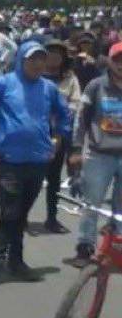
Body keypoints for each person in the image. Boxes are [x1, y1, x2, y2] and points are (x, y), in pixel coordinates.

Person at [0, 41, 71, 289]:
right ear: (21, 59)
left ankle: (16, 260)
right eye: (32, 58)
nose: (37, 64)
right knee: (10, 211)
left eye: (41, 59)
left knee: (21, 214)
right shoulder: (4, 84)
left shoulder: (49, 88)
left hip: (38, 160)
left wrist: (57, 139)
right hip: (9, 160)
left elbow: (66, 114)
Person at [69, 41, 122, 267]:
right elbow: (81, 119)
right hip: (99, 155)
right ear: (109, 61)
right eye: (118, 60)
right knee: (92, 203)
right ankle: (85, 246)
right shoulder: (96, 86)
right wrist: (75, 149)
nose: (121, 65)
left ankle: (116, 247)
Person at [42, 39, 81, 234]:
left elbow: (75, 104)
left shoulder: (70, 78)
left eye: (59, 53)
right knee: (30, 177)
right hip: (37, 132)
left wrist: (60, 110)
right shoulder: (35, 75)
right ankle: (20, 217)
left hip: (59, 132)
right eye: (51, 52)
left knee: (54, 178)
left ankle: (51, 217)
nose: (54, 56)